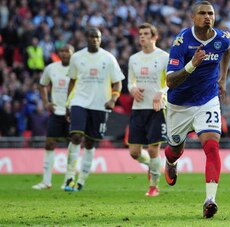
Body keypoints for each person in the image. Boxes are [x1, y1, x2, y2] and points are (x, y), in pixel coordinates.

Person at [164, 1, 230, 219]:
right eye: (202, 13)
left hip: (208, 100)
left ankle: (210, 200)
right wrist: (192, 64)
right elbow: (170, 81)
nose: (207, 17)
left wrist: (223, 78)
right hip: (179, 104)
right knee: (175, 149)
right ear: (192, 17)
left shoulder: (221, 38)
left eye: (210, 13)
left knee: (212, 146)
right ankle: (170, 162)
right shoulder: (181, 42)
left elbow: (227, 49)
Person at [63, 27, 125, 192]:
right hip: (79, 102)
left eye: (97, 37)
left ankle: (81, 180)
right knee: (76, 136)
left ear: (100, 39)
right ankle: (69, 177)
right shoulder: (77, 57)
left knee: (90, 142)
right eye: (91, 37)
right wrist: (68, 104)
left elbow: (118, 82)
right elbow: (72, 81)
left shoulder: (108, 58)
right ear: (86, 38)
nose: (94, 40)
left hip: (100, 105)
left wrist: (113, 99)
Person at [127, 23, 168, 197]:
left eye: (145, 34)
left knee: (153, 149)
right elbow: (130, 82)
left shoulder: (164, 57)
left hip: (157, 108)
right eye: (140, 34)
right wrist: (133, 89)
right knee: (134, 152)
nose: (142, 36)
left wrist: (161, 92)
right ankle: (155, 165)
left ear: (154, 37)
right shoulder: (134, 58)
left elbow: (170, 82)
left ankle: (154, 186)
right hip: (138, 108)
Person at [32, 44, 74, 190]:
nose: (64, 54)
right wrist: (45, 102)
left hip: (73, 113)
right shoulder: (51, 68)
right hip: (56, 112)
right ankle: (46, 181)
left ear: (72, 53)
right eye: (61, 51)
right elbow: (42, 84)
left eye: (67, 51)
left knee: (72, 146)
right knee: (49, 144)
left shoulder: (78, 69)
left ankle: (69, 180)